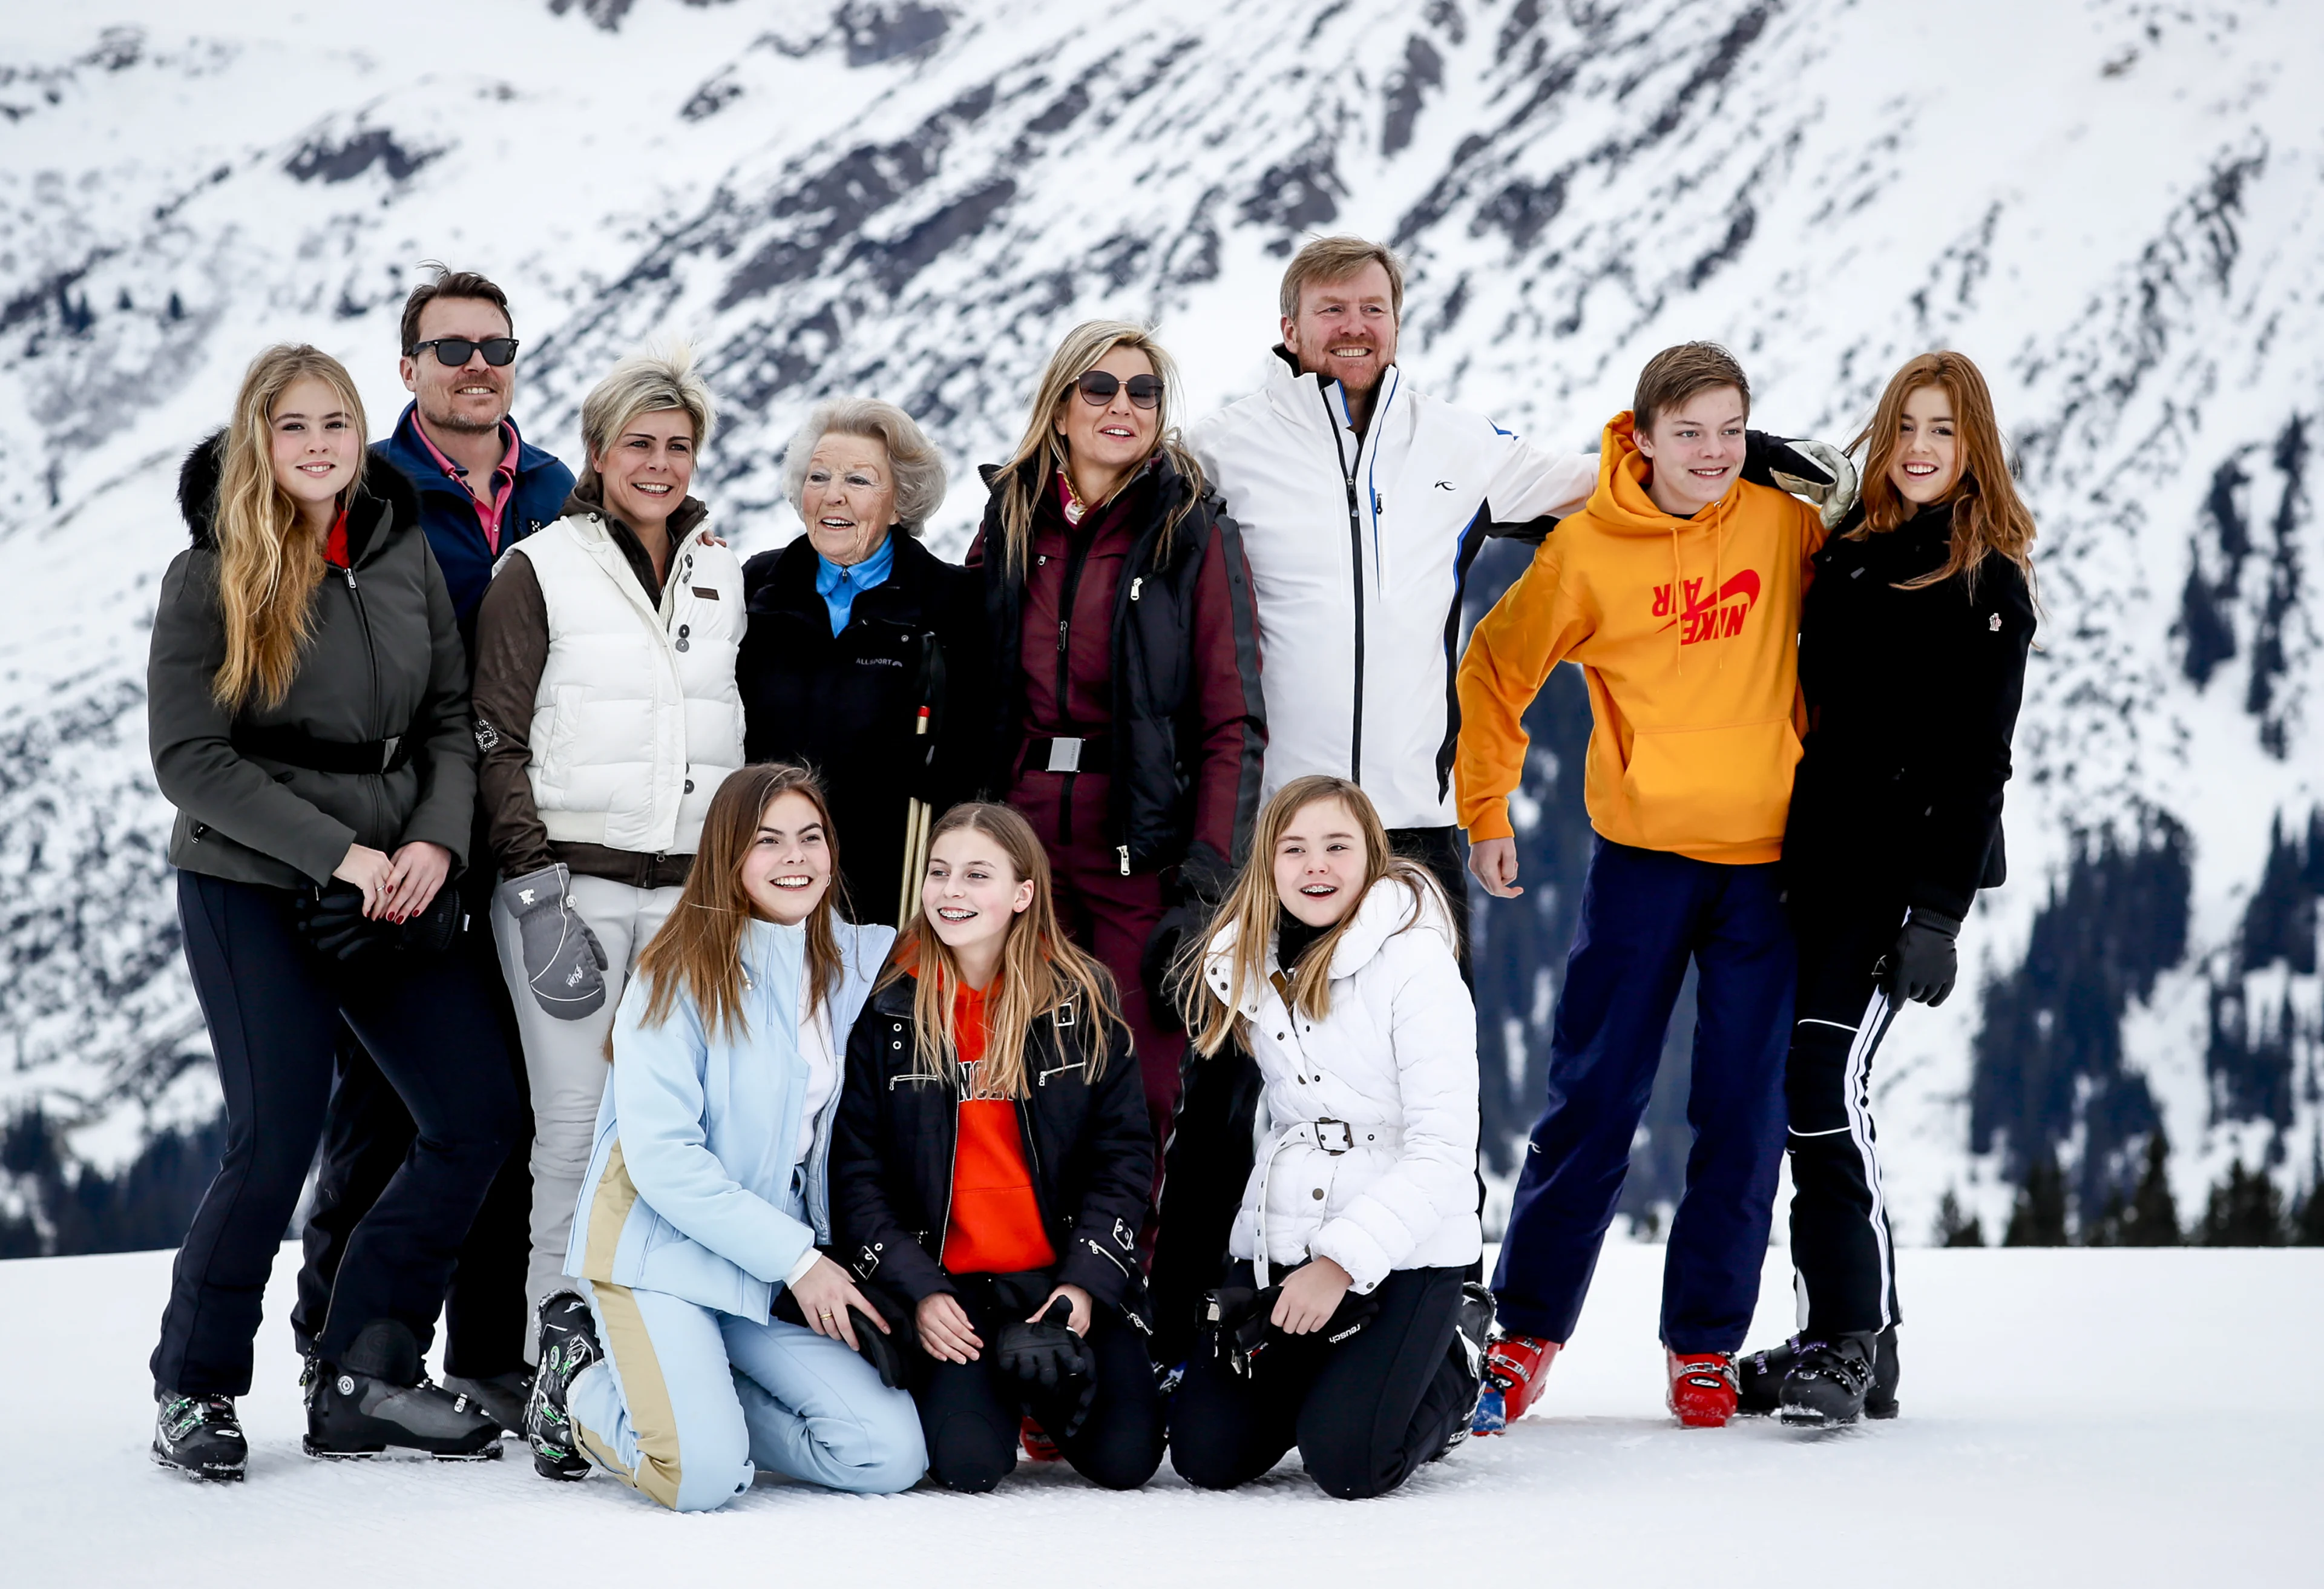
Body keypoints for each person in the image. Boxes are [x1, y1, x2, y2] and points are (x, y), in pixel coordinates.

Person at [146, 344, 522, 1478]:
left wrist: (431, 844)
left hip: (397, 876)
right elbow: (189, 759)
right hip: (252, 882)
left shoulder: (399, 552)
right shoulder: (209, 572)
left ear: (365, 435)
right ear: (259, 440)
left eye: (338, 424)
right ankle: (195, 1388)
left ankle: (364, 1370)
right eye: (294, 426)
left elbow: (453, 718)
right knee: (273, 1145)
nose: (319, 445)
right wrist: (340, 854)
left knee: (476, 1116)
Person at [1456, 343, 1830, 1432]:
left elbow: (1880, 582)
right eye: (1689, 432)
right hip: (1645, 864)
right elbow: (1495, 669)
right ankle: (1525, 1334)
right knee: (1595, 1098)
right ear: (1645, 434)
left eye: (1729, 431)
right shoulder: (1588, 552)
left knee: (1742, 1115)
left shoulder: (1782, 522)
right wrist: (1487, 809)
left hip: (1770, 870)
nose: (1711, 454)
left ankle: (1705, 1347)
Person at [292, 266, 573, 1430]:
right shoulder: (373, 488)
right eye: (450, 348)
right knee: (383, 1106)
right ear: (406, 369)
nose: (475, 367)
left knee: (515, 1095)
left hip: (523, 824)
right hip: (399, 841)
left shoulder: (559, 489)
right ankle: (340, 1350)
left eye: (495, 348)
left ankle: (488, 1354)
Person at [1736, 352, 2037, 1425]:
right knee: (1798, 1097)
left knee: (1824, 1088)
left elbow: (1980, 762)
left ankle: (1849, 1342)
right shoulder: (1853, 552)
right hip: (1811, 864)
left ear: (1975, 450)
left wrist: (1939, 916)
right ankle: (1851, 1336)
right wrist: (1745, 461)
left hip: (1896, 882)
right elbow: (1802, 486)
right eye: (1905, 425)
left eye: (1944, 432)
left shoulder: (1986, 581)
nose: (1919, 448)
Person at [521, 764, 926, 1508]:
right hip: (661, 1250)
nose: (795, 858)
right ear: (728, 857)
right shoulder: (674, 976)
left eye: (811, 838)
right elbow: (664, 1162)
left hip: (762, 1270)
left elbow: (975, 942)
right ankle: (577, 1389)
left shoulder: (861, 961)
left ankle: (693, 1398)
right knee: (700, 1478)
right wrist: (800, 1261)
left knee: (887, 1453)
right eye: (768, 842)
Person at [469, 345, 744, 1332]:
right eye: (640, 444)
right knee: (576, 1130)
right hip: (571, 884)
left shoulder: (721, 570)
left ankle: (659, 1337)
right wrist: (534, 893)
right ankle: (561, 1340)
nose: (661, 463)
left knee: (673, 1129)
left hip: (687, 895)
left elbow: (726, 731)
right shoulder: (538, 568)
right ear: (595, 453)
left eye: (679, 445)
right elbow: (493, 736)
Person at [965, 320, 1265, 1172]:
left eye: (1144, 391)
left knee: (1141, 1076)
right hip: (1018, 837)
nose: (1123, 406)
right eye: (1100, 388)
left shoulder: (1191, 528)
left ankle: (1118, 1287)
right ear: (1061, 408)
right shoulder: (1012, 519)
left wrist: (1208, 883)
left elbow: (1231, 717)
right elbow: (966, 675)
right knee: (1006, 1064)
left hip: (1142, 844)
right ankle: (1018, 1282)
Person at [1167, 776, 1488, 1501]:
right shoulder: (1251, 958)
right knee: (1205, 1455)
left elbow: (1443, 1154)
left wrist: (1338, 1263)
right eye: (1295, 848)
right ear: (1269, 865)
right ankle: (1341, 1381)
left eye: (1337, 847)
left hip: (1404, 1252)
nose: (1317, 866)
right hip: (1286, 1239)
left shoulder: (1416, 963)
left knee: (1348, 1464)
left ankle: (1453, 1368)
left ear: (1372, 857)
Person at [832, 801, 1163, 1492]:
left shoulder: (1083, 996)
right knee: (969, 1466)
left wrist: (1084, 1286)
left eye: (977, 875)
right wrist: (921, 1293)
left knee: (1128, 1461)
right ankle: (998, 1393)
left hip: (1062, 1275)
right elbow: (856, 1177)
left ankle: (1041, 1404)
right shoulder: (887, 1005)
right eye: (939, 872)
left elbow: (1125, 1159)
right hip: (954, 1289)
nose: (952, 892)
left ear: (1022, 894)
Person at [737, 398, 983, 925]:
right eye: (819, 476)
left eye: (859, 480)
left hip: (893, 890)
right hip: (768, 885)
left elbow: (974, 760)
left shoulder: (953, 603)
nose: (833, 496)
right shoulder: (756, 587)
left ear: (901, 502)